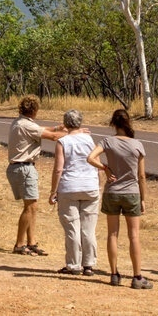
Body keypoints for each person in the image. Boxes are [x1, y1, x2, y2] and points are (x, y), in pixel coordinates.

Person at [86, 109, 153, 289]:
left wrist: (104, 168)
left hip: (112, 192)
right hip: (132, 192)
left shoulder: (107, 142)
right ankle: (137, 276)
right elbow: (141, 176)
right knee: (134, 236)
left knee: (112, 234)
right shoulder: (137, 144)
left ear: (113, 124)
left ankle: (114, 274)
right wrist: (143, 199)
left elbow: (90, 157)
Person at [7, 94, 71, 256]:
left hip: (21, 168)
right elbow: (53, 137)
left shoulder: (20, 122)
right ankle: (20, 244)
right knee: (30, 207)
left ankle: (31, 242)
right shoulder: (26, 125)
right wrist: (74, 133)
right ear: (35, 110)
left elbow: (44, 131)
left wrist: (57, 128)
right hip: (24, 168)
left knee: (32, 206)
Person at [48, 110, 99, 276]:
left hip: (69, 187)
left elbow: (58, 168)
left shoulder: (63, 142)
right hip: (90, 186)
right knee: (88, 228)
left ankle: (74, 264)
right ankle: (89, 264)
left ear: (65, 123)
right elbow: (95, 161)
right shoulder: (89, 139)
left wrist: (53, 191)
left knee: (72, 228)